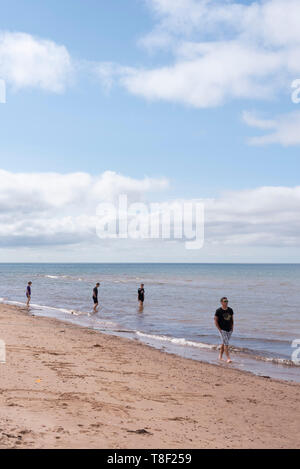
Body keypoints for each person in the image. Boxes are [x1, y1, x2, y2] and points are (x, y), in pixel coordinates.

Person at [214, 297, 234, 363]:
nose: (226, 302)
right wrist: (219, 329)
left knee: (224, 343)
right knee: (226, 343)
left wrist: (232, 328)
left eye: (227, 301)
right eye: (225, 301)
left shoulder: (230, 310)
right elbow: (215, 320)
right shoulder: (218, 311)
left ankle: (220, 356)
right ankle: (228, 358)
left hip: (229, 329)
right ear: (221, 302)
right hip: (222, 330)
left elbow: (232, 319)